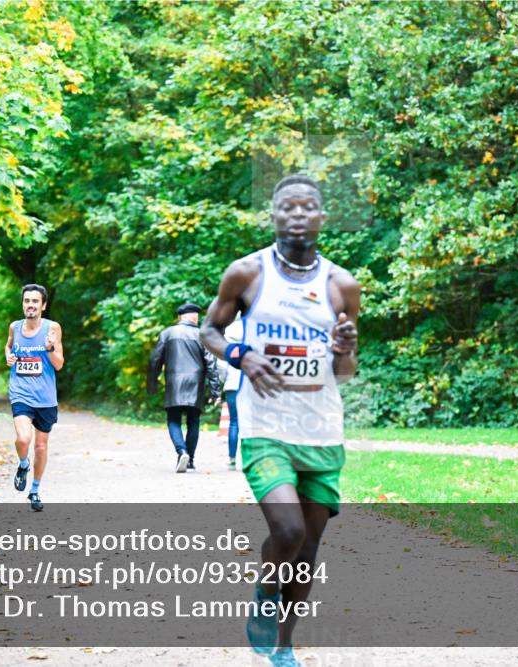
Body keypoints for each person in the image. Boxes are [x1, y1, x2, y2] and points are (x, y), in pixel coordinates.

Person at [200, 174, 360, 667]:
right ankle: (266, 595)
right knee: (287, 532)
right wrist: (242, 356)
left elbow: (345, 372)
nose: (296, 214)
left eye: (307, 206)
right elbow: (209, 330)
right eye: (286, 206)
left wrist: (345, 349)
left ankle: (283, 645)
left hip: (321, 430)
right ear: (272, 215)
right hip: (266, 425)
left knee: (308, 548)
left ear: (321, 218)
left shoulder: (342, 285)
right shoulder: (246, 274)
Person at [5, 284, 63, 512]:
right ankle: (23, 464)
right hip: (20, 391)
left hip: (46, 397)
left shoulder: (52, 329)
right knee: (23, 439)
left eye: (35, 301)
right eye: (27, 301)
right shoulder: (14, 327)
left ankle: (35, 490)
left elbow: (58, 364)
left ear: (43, 305)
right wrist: (9, 357)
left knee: (40, 446)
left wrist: (49, 348)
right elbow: (8, 347)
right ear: (23, 304)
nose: (30, 305)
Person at [147, 303, 222, 473]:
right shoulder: (202, 336)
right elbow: (211, 364)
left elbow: (154, 361)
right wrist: (215, 390)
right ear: (193, 317)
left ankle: (181, 451)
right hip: (196, 384)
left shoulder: (167, 333)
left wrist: (152, 385)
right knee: (193, 422)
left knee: (173, 420)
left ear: (180, 317)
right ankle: (190, 461)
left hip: (174, 383)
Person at [214, 317, 244, 470]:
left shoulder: (227, 344)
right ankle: (248, 457)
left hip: (232, 384)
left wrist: (223, 380)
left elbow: (221, 366)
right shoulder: (254, 336)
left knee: (234, 421)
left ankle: (232, 458)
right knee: (250, 423)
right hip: (250, 385)